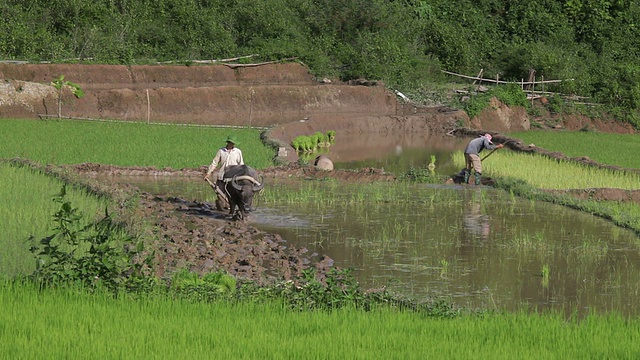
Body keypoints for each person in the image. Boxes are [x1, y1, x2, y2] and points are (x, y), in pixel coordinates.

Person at [204, 135, 244, 210]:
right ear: (227, 142)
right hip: (222, 176)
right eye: (230, 143)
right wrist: (208, 173)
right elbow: (215, 163)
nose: (231, 144)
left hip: (233, 177)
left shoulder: (238, 152)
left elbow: (241, 165)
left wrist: (241, 175)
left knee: (233, 194)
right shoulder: (221, 151)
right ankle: (221, 207)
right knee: (220, 194)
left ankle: (232, 207)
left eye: (233, 143)